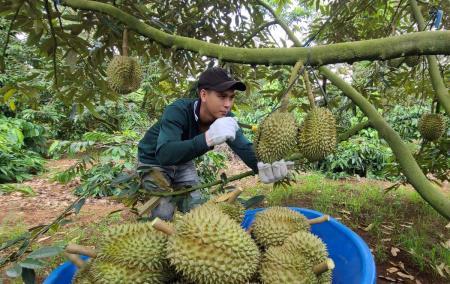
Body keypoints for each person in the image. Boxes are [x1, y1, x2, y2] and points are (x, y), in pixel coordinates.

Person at [137, 67, 293, 220]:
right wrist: (207, 138)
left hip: (183, 162)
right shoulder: (178, 111)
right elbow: (165, 153)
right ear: (204, 95)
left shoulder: (226, 118)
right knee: (163, 212)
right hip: (153, 161)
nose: (227, 104)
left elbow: (243, 147)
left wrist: (264, 166)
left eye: (231, 97)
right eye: (222, 96)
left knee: (197, 209)